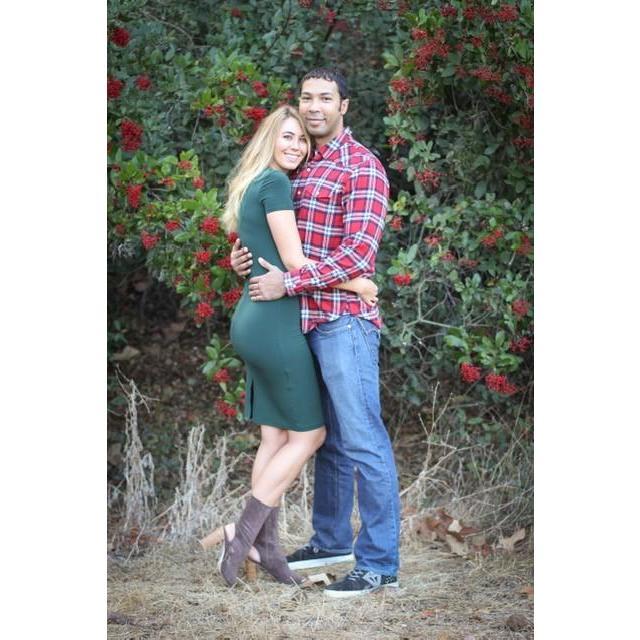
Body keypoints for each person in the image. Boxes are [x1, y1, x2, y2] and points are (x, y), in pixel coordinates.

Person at [230, 68, 401, 598]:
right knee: (329, 442)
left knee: (363, 438)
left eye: (326, 98)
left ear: (343, 105)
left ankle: (379, 564)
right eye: (307, 98)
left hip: (343, 321)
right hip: (300, 321)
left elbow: (358, 254)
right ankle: (329, 541)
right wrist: (244, 259)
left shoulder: (362, 166)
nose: (314, 107)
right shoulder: (300, 165)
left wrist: (289, 281)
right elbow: (277, 237)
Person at [199, 104, 378, 588]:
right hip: (274, 323)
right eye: (288, 137)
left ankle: (267, 547)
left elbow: (258, 250)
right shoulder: (276, 184)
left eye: (302, 139)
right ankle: (242, 532)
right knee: (311, 435)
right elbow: (296, 260)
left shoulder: (256, 182)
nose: (296, 146)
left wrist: (240, 261)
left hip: (255, 318)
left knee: (276, 437)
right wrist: (357, 284)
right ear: (270, 140)